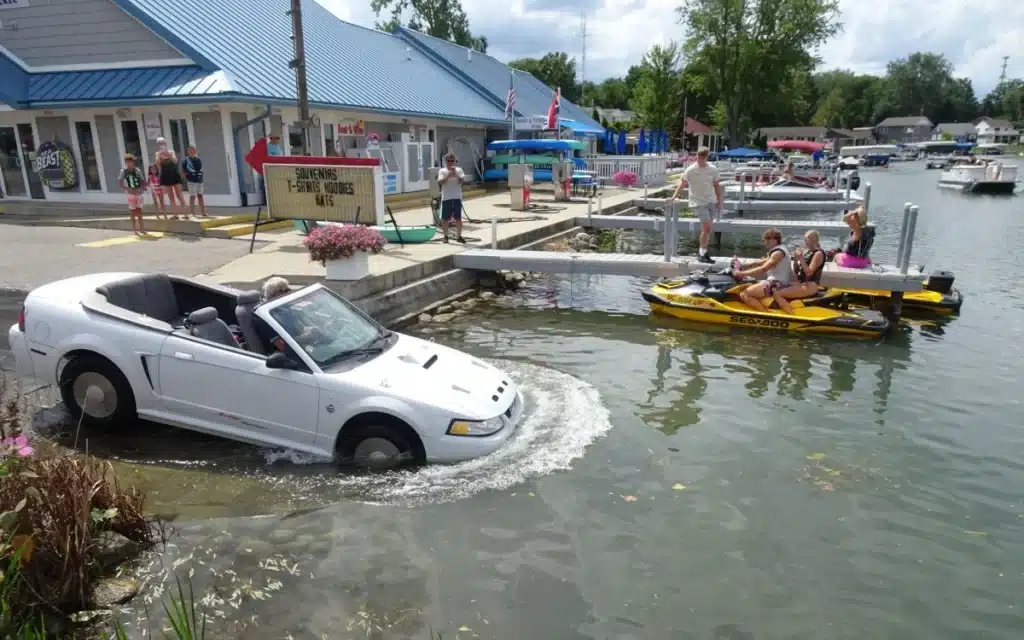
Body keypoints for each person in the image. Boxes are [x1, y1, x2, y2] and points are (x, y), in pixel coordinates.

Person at [668, 146, 721, 264]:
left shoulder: (713, 169)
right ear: (696, 156)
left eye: (702, 157)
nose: (700, 159)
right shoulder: (691, 170)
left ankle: (704, 252)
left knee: (707, 229)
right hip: (697, 202)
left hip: (711, 201)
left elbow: (717, 186)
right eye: (698, 157)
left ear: (706, 157)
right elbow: (682, 184)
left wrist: (719, 202)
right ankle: (701, 253)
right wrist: (673, 197)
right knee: (706, 228)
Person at [733, 228, 792, 312]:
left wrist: (742, 273)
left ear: (776, 240)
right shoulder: (778, 249)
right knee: (747, 285)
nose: (766, 241)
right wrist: (742, 264)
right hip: (776, 282)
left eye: (768, 239)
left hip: (777, 284)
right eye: (765, 239)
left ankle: (764, 314)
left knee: (745, 293)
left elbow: (763, 268)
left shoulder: (777, 253)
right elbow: (762, 262)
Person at [773, 230, 826, 314]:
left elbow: (809, 273)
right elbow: (797, 270)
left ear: (813, 240)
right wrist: (795, 260)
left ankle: (790, 315)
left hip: (811, 285)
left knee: (777, 293)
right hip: (801, 283)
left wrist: (801, 258)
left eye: (806, 240)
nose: (804, 242)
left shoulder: (818, 254)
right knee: (774, 287)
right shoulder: (808, 252)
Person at [437, 152, 466, 244]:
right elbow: (440, 182)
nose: (450, 163)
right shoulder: (442, 171)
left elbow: (461, 181)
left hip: (457, 197)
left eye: (452, 161)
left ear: (454, 161)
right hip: (446, 198)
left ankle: (459, 236)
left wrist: (455, 174)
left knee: (458, 218)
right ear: (445, 161)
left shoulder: (459, 170)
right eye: (448, 161)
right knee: (445, 219)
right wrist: (449, 175)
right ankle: (445, 236)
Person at [154, 137, 186, 219]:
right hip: (165, 175)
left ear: (166, 143)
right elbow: (158, 166)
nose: (162, 145)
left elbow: (175, 161)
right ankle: (175, 214)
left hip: (174, 174)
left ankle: (185, 213)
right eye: (160, 144)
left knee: (179, 195)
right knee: (171, 196)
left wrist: (169, 155)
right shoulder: (158, 154)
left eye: (163, 143)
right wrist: (159, 157)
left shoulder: (171, 151)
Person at [118, 154, 147, 235]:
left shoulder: (137, 170)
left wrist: (141, 188)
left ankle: (142, 228)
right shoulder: (123, 171)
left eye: (131, 162)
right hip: (130, 193)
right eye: (128, 162)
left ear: (133, 162)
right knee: (133, 211)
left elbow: (142, 181)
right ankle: (135, 229)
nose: (129, 163)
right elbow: (120, 183)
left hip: (138, 192)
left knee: (139, 210)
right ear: (125, 162)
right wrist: (127, 188)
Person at [182, 146, 207, 217]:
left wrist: (201, 177)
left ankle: (203, 212)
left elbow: (200, 169)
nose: (192, 152)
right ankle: (192, 213)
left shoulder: (198, 159)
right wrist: (186, 179)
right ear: (188, 152)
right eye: (190, 151)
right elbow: (184, 171)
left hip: (199, 180)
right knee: (192, 196)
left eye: (193, 151)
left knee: (200, 196)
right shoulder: (186, 160)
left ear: (195, 151)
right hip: (191, 181)